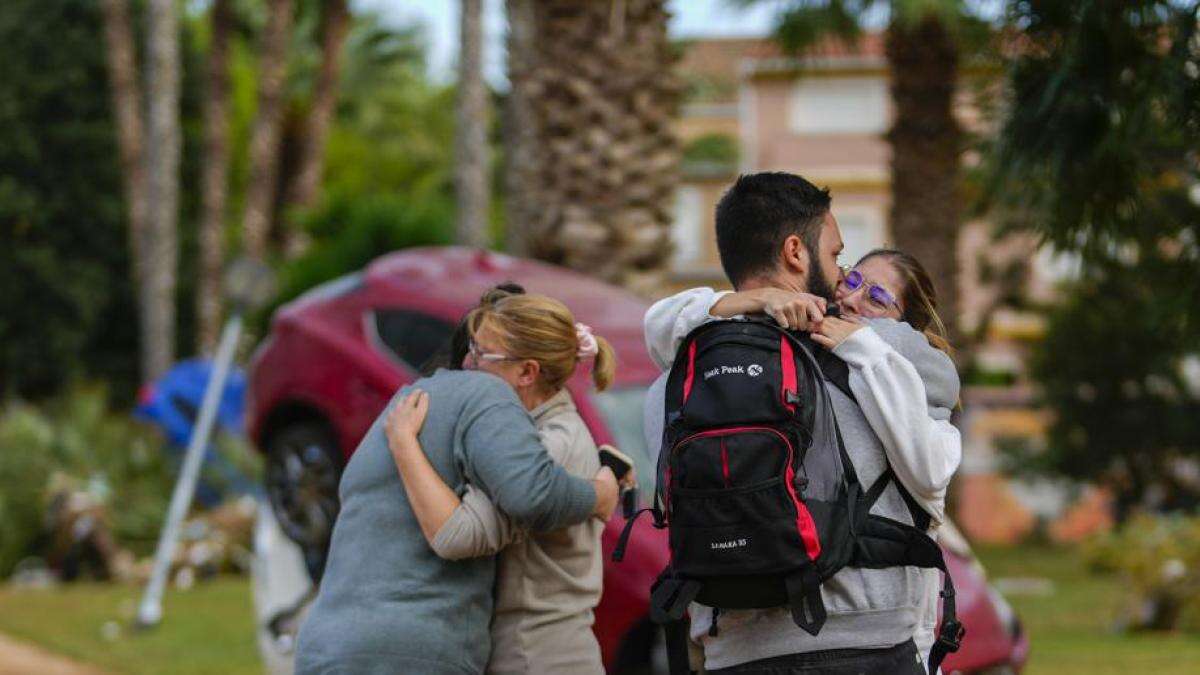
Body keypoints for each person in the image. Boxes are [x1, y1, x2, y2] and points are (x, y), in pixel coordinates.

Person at [642, 172, 961, 674]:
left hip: (733, 649)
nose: (841, 283)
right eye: (837, 258)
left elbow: (660, 325)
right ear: (796, 252)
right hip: (865, 639)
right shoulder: (871, 351)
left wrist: (722, 307)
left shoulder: (678, 374)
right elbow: (933, 443)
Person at [293, 300, 621, 674]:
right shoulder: (503, 433)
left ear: (527, 371)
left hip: (539, 656)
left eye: (481, 353)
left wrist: (405, 446)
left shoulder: (552, 441)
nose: (466, 363)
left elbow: (457, 534)